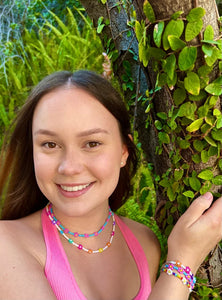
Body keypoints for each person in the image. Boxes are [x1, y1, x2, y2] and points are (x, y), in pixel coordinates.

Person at [0, 70, 221, 300]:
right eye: (50, 144)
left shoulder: (145, 243)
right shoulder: (6, 245)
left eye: (92, 143)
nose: (69, 167)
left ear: (124, 151)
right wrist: (183, 262)